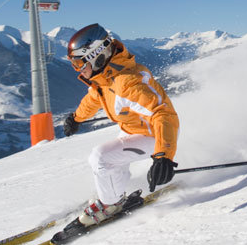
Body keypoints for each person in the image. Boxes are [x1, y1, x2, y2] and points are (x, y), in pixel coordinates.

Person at [63, 23, 179, 226]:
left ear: (96, 55)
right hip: (137, 132)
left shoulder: (126, 83)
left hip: (156, 136)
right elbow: (93, 99)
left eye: (79, 63)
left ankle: (110, 205)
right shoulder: (106, 79)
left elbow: (164, 115)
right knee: (111, 159)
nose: (78, 69)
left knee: (101, 157)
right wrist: (76, 118)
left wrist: (163, 156)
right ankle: (113, 194)